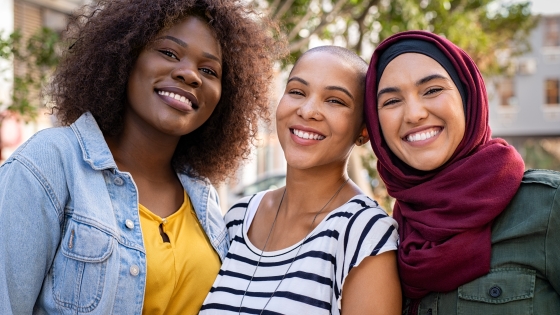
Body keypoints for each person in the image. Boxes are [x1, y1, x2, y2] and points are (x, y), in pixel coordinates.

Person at [0, 0, 285, 313]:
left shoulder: (203, 198)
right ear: (125, 56)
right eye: (168, 53)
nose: (190, 75)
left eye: (208, 70)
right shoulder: (50, 163)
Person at [364, 30, 560, 315]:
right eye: (392, 101)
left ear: (468, 98)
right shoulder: (382, 238)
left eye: (432, 90)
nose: (414, 114)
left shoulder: (548, 208)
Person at [200, 46, 402, 315]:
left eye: (335, 101)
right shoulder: (239, 217)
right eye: (297, 92)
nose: (307, 111)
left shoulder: (365, 233)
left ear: (364, 131)